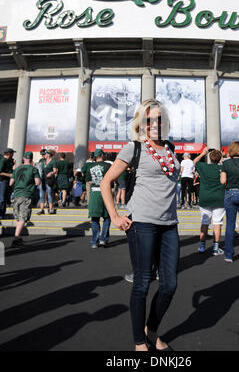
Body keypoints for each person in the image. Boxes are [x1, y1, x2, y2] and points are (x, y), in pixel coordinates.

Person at [100, 99, 180, 351]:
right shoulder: (133, 148)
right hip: (142, 222)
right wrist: (114, 216)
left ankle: (151, 330)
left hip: (170, 224)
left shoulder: (170, 147)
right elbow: (106, 182)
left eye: (158, 119)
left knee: (169, 285)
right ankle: (139, 342)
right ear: (141, 124)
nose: (154, 124)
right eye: (149, 120)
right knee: (143, 283)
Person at [194, 147, 225, 256]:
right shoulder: (222, 168)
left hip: (205, 197)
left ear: (210, 158)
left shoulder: (203, 167)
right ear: (219, 158)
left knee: (205, 222)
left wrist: (203, 153)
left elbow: (195, 161)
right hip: (219, 198)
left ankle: (202, 246)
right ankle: (216, 248)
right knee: (217, 223)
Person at [9, 151, 40, 246]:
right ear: (31, 159)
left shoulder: (17, 169)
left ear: (23, 158)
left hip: (16, 194)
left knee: (19, 217)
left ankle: (18, 237)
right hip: (26, 194)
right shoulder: (33, 169)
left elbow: (10, 183)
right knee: (23, 217)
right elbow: (37, 182)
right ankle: (16, 238)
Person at [86, 149, 111, 248]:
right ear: (102, 155)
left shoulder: (89, 167)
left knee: (95, 218)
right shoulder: (108, 166)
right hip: (105, 192)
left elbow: (88, 181)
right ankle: (103, 239)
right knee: (107, 217)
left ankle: (94, 241)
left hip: (94, 193)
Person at [0, 148, 16, 218]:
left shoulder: (10, 160)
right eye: (12, 153)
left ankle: (3, 214)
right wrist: (9, 175)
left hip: (8, 181)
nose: (13, 155)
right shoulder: (3, 161)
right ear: (9, 154)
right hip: (3, 181)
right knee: (2, 198)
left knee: (6, 198)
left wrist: (14, 164)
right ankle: (0, 214)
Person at [43, 150, 57, 214]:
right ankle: (45, 206)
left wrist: (51, 173)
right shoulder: (44, 161)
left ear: (48, 155)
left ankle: (51, 208)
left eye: (45, 154)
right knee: (44, 194)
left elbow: (55, 170)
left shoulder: (53, 161)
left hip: (49, 180)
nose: (44, 155)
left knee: (49, 193)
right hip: (44, 179)